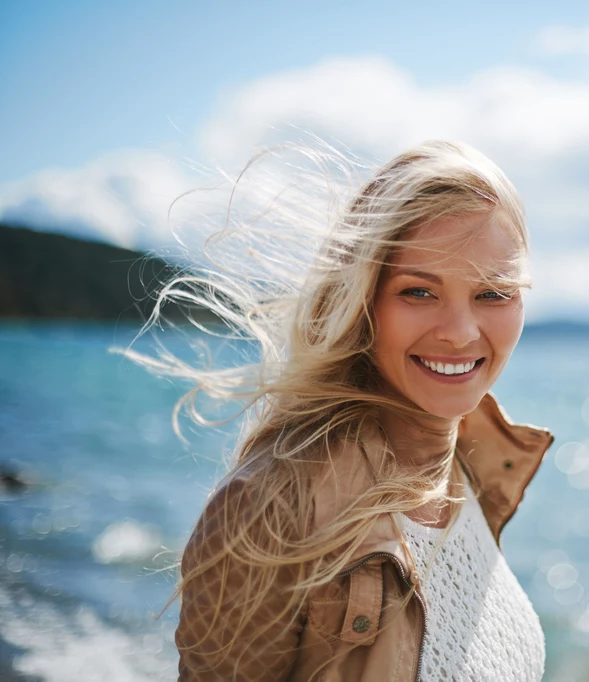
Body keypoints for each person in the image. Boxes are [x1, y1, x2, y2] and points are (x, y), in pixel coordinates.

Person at [142, 140, 555, 681]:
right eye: (419, 292)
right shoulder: (273, 505)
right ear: (362, 299)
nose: (459, 332)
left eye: (494, 293)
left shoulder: (470, 466)